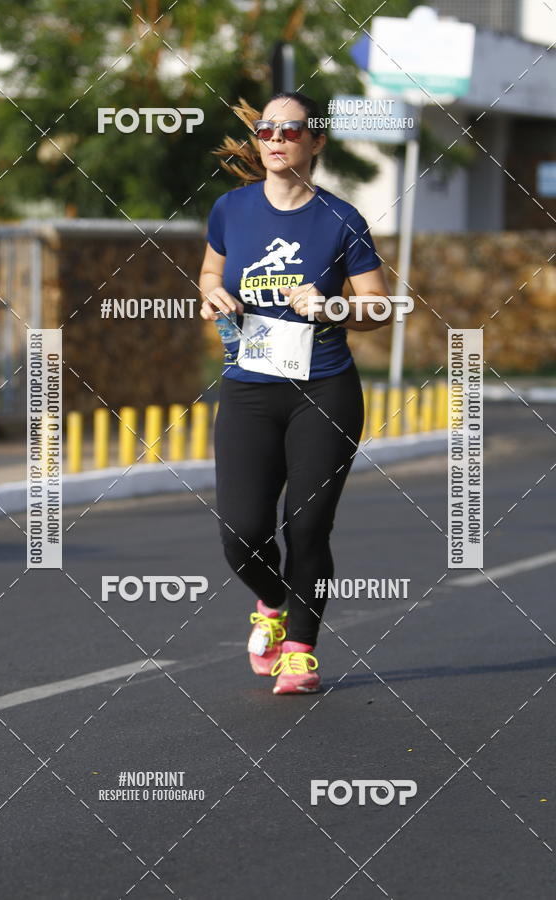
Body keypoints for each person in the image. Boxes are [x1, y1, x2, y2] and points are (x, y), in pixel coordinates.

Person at [198, 91, 391, 695]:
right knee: (241, 531)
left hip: (324, 389)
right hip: (249, 390)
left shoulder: (341, 218)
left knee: (306, 528)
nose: (275, 139)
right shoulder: (230, 209)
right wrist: (211, 295)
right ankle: (272, 606)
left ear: (316, 142)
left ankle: (301, 651)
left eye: (289, 130)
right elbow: (209, 272)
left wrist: (332, 305)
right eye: (265, 129)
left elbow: (380, 306)